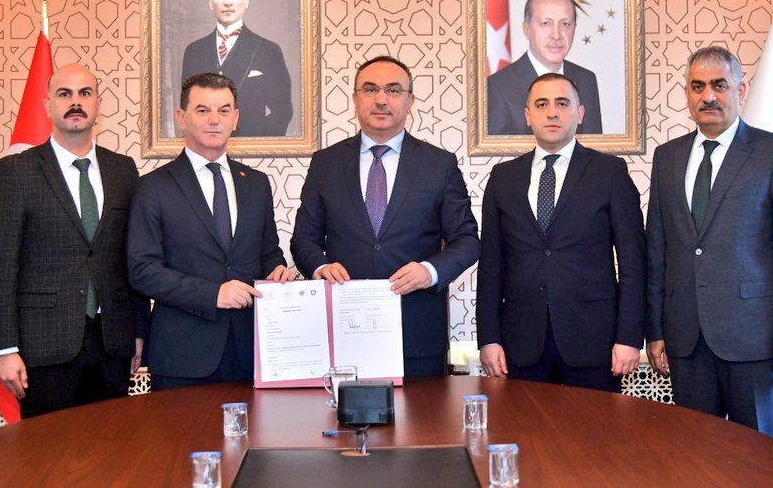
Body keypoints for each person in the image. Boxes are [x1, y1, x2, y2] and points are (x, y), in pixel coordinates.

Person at [645, 46, 773, 440]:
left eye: (719, 85)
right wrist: (655, 329)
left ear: (740, 91)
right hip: (686, 341)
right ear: (687, 93)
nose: (708, 96)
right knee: (694, 456)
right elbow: (657, 250)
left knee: (756, 458)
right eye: (698, 86)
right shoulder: (666, 158)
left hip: (755, 344)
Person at [290, 55, 481, 377]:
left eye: (393, 90)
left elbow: (467, 240)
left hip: (417, 334)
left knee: (425, 413)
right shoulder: (325, 163)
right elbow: (303, 239)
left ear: (410, 101)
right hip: (343, 332)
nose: (381, 99)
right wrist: (320, 267)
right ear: (355, 99)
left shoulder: (439, 164)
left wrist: (430, 271)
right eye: (370, 89)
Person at [0, 63, 146, 418]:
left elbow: (131, 256)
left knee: (112, 447)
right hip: (44, 348)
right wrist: (5, 349)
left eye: (85, 93)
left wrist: (138, 330)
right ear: (48, 106)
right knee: (48, 451)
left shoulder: (123, 170)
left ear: (98, 104)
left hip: (112, 343)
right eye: (64, 94)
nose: (75, 102)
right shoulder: (17, 171)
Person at [477, 73, 645, 392]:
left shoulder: (610, 173)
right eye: (541, 104)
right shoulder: (502, 178)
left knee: (596, 426)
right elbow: (491, 266)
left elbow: (633, 262)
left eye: (562, 103)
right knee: (527, 425)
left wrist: (629, 337)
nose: (552, 112)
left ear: (580, 113)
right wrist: (488, 338)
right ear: (528, 116)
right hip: (521, 342)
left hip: (595, 340)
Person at [127, 72, 293, 390]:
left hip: (250, 353)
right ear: (182, 118)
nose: (214, 120)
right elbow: (142, 270)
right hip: (181, 357)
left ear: (236, 118)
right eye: (203, 110)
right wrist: (213, 294)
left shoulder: (257, 184)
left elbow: (268, 252)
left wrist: (278, 270)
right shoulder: (153, 187)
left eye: (224, 110)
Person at [181, 0, 292, 137]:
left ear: (246, 0)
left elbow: (282, 112)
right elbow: (187, 110)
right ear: (210, 2)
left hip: (253, 149)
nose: (228, 2)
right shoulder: (194, 52)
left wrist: (252, 143)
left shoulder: (269, 51)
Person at [487, 0, 602, 135]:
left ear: (574, 29)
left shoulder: (586, 80)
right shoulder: (497, 87)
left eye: (565, 24)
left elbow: (594, 145)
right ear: (526, 29)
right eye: (546, 23)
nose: (556, 35)